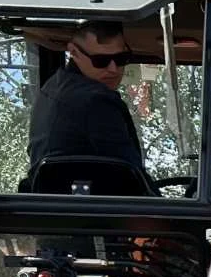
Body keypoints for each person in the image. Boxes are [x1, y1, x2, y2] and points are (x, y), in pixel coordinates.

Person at [23, 21, 147, 190]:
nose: (113, 69)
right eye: (101, 60)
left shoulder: (51, 88)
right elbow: (134, 177)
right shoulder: (97, 101)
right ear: (74, 52)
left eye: (120, 59)